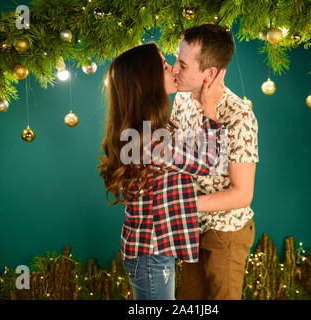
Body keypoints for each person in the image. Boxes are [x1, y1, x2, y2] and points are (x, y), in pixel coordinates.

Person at [97, 43, 227, 300]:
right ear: (148, 82)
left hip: (150, 253)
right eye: (165, 66)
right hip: (151, 257)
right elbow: (211, 161)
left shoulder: (147, 132)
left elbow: (188, 151)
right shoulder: (152, 141)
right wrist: (210, 107)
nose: (173, 69)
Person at [171, 24, 259, 300]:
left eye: (183, 65)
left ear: (209, 73)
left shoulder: (239, 117)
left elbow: (242, 194)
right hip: (192, 229)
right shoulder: (182, 99)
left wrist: (184, 204)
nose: (174, 69)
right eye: (176, 59)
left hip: (227, 233)